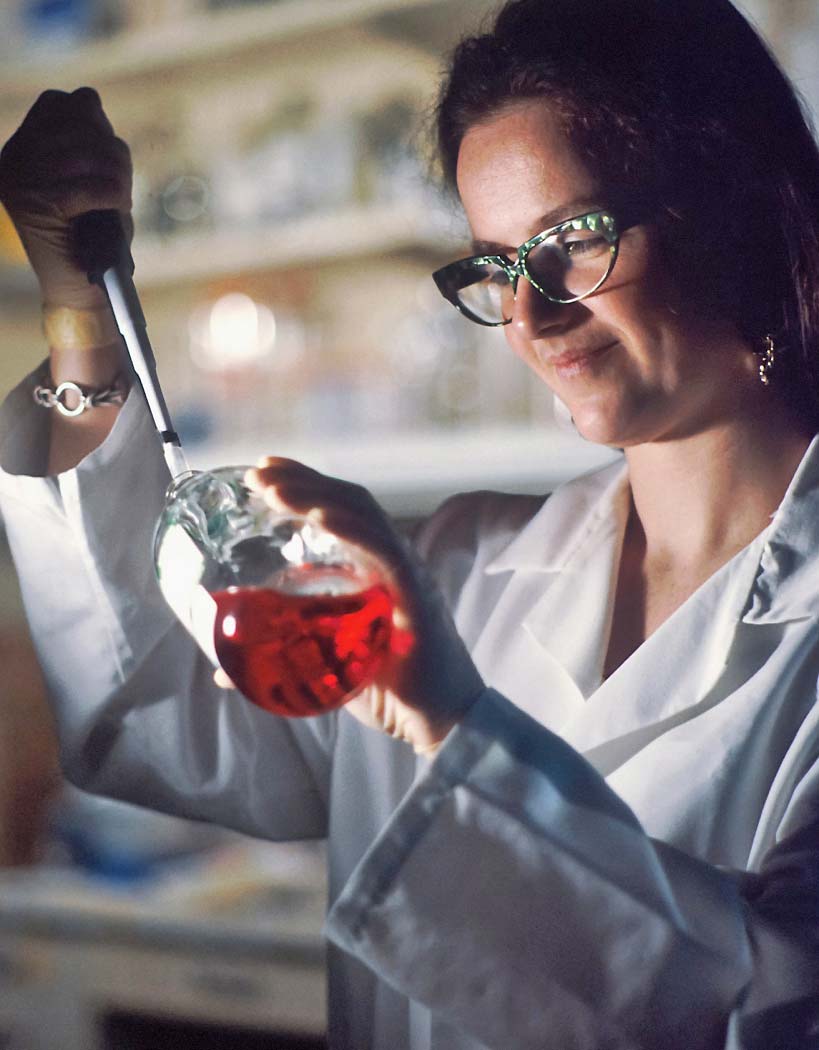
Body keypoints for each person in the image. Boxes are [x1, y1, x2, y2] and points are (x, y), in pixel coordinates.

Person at [0, 0, 818, 1046]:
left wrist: (449, 718)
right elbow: (143, 715)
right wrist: (79, 311)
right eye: (498, 264)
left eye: (573, 240)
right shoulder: (459, 565)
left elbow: (777, 1007)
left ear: (733, 207)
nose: (530, 314)